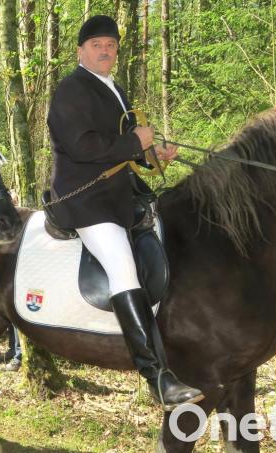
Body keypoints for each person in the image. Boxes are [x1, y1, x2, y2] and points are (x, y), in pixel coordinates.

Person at [46, 15, 202, 410]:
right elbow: (83, 147)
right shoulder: (70, 90)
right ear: (81, 50)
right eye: (97, 44)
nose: (105, 51)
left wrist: (152, 155)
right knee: (121, 266)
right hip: (85, 200)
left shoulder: (114, 88)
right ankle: (158, 377)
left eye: (111, 45)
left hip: (121, 196)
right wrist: (134, 140)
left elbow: (125, 149)